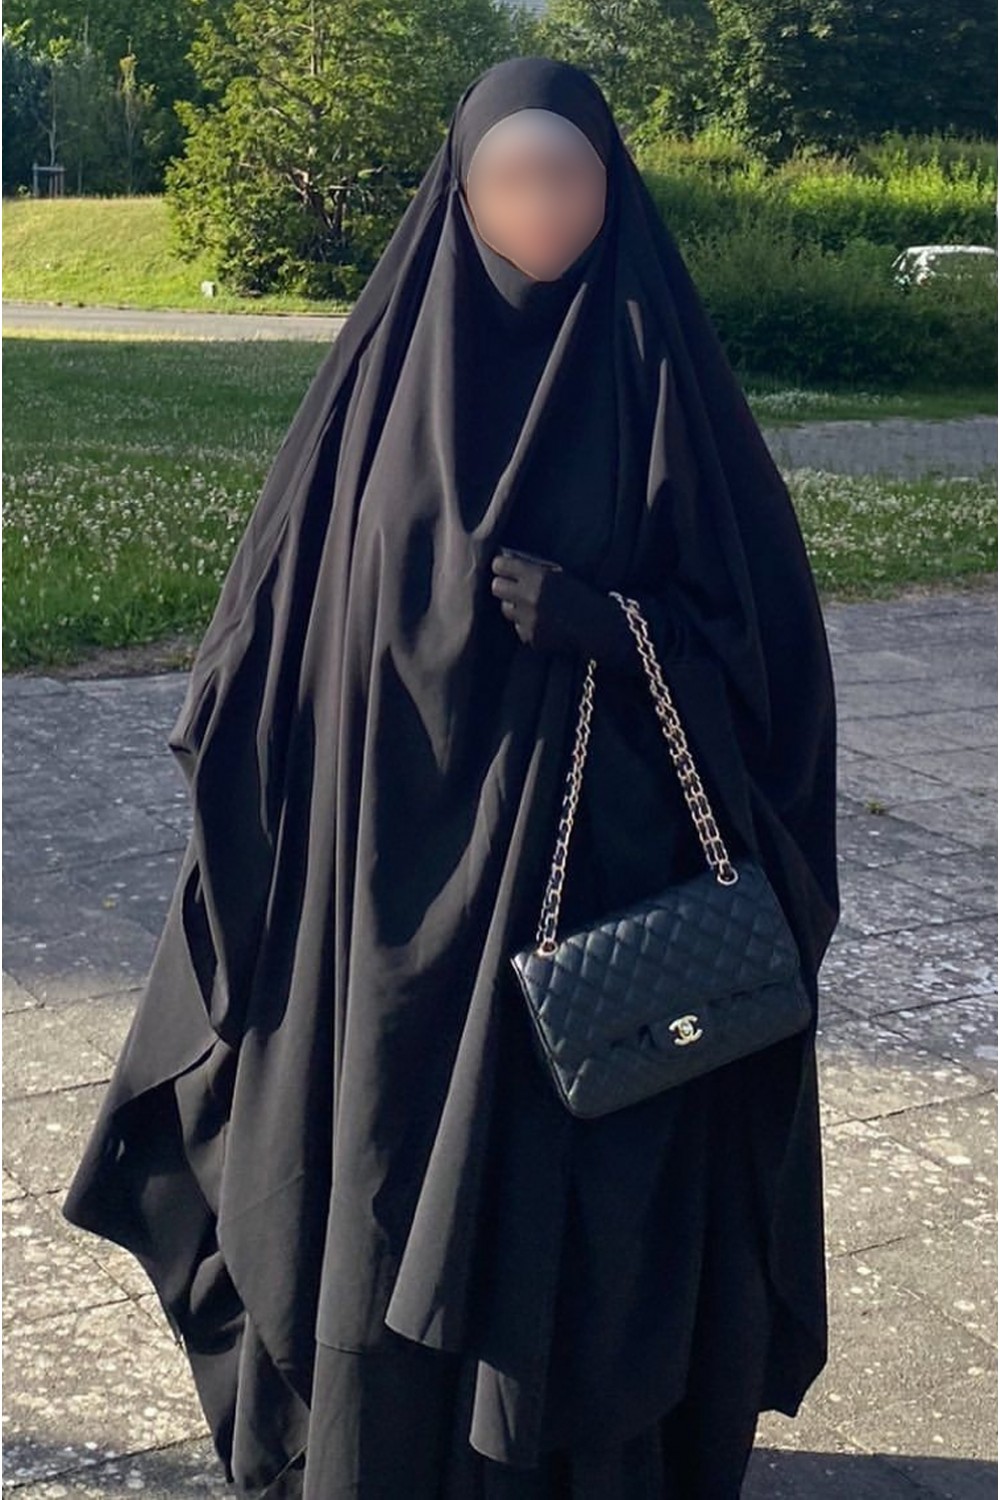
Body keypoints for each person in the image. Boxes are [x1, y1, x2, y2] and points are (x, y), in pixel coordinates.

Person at [62, 54, 841, 1500]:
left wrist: (618, 630)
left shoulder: (662, 380)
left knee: (572, 1190)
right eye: (510, 178)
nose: (542, 207)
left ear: (614, 191)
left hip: (599, 886)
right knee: (384, 1166)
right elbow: (273, 632)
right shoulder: (380, 394)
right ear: (460, 193)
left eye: (569, 177)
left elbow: (773, 666)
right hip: (383, 900)